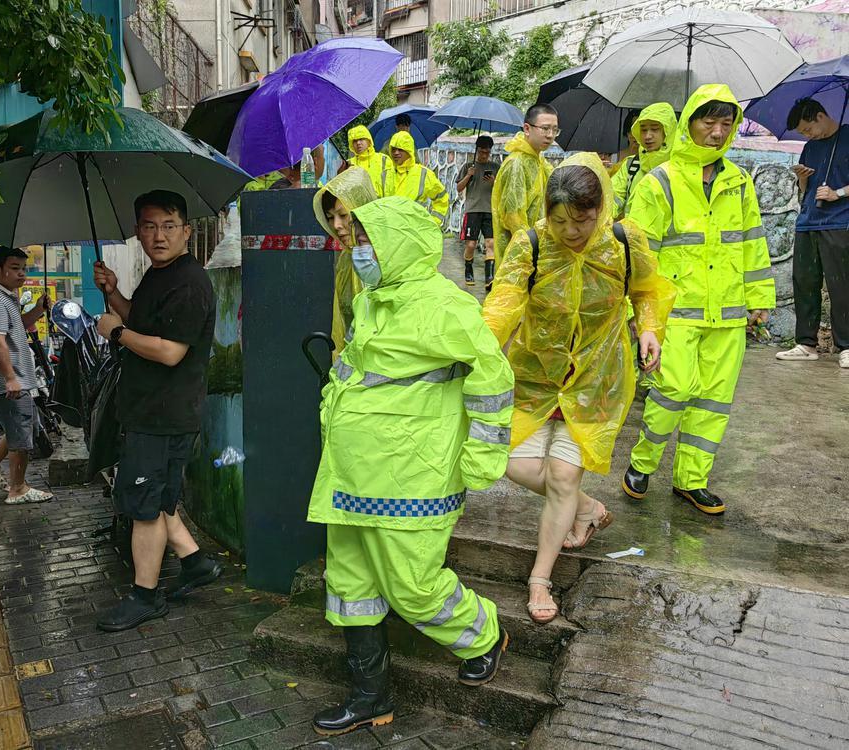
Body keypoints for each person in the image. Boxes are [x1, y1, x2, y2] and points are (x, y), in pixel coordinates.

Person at [309, 196, 514, 736]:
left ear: (398, 244)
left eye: (368, 241)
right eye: (356, 241)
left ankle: (483, 633)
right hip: (351, 471)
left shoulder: (446, 306)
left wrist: (484, 455)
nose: (358, 251)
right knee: (351, 586)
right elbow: (357, 368)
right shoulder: (373, 301)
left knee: (413, 585)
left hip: (411, 473)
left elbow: (493, 377)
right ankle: (370, 695)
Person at [482, 153, 674, 623]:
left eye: (582, 220)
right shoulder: (530, 245)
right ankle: (586, 510)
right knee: (512, 463)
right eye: (560, 220)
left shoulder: (624, 241)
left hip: (597, 378)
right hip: (534, 375)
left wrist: (649, 329)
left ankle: (539, 579)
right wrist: (477, 349)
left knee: (564, 476)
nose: (571, 231)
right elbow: (503, 303)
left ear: (600, 208)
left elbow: (648, 291)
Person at [622, 84, 775, 515]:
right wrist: (641, 314)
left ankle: (692, 480)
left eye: (726, 123)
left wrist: (759, 296)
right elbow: (639, 251)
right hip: (676, 313)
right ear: (689, 124)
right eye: (708, 121)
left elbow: (752, 243)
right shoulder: (660, 182)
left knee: (713, 400)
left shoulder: (739, 182)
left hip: (726, 314)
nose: (717, 131)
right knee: (673, 389)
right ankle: (643, 461)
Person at [92, 190, 223, 631]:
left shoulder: (190, 282)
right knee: (155, 496)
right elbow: (140, 321)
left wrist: (116, 334)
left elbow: (169, 351)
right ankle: (195, 563)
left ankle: (144, 596)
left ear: (187, 231)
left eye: (169, 226)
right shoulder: (157, 275)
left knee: (143, 507)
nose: (159, 235)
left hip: (163, 414)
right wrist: (114, 295)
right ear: (137, 232)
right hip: (148, 410)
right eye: (149, 226)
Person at [0, 246, 55, 505]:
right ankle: (18, 488)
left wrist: (39, 309)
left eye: (24, 268)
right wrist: (10, 378)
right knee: (21, 435)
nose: (22, 274)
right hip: (7, 382)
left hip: (13, 379)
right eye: (15, 268)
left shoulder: (5, 297)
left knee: (21, 427)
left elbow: (16, 325)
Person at [775, 98, 849, 369]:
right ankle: (806, 343)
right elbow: (804, 193)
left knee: (841, 285)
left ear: (820, 116)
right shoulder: (810, 147)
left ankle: (847, 345)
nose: (806, 136)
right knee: (804, 282)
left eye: (808, 129)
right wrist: (803, 177)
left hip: (840, 222)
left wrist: (837, 193)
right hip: (808, 222)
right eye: (803, 133)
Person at [313, 167, 379, 353]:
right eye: (330, 218)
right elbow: (342, 322)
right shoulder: (347, 258)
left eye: (343, 215)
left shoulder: (382, 259)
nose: (336, 226)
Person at [492, 103, 558, 266]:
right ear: (527, 129)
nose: (550, 135)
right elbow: (513, 216)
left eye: (555, 130)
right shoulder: (517, 164)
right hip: (522, 255)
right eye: (545, 128)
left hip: (536, 251)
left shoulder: (539, 161)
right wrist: (532, 249)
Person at [612, 102, 676, 217]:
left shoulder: (681, 167)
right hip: (630, 233)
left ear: (668, 131)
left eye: (655, 129)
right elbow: (611, 199)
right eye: (643, 130)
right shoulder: (630, 164)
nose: (647, 136)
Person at [457, 135, 502, 292]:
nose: (484, 155)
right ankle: (468, 269)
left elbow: (503, 189)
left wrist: (494, 182)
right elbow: (459, 188)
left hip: (490, 210)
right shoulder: (468, 166)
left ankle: (489, 277)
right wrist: (469, 175)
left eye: (487, 152)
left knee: (490, 243)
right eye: (481, 152)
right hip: (473, 210)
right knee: (471, 244)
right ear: (476, 150)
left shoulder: (496, 167)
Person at [387, 131, 449, 226]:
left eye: (400, 149)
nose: (396, 153)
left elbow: (442, 198)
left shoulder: (424, 173)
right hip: (389, 229)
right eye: (393, 149)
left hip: (415, 230)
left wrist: (433, 222)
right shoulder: (386, 173)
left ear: (409, 151)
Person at [341, 125, 390, 196]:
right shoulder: (348, 164)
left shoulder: (383, 159)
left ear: (368, 140)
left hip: (380, 204)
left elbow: (390, 186)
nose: (358, 143)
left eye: (361, 139)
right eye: (354, 141)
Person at [607, 110, 640, 176]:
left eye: (639, 130)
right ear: (627, 132)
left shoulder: (648, 159)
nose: (635, 135)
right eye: (631, 130)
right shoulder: (614, 158)